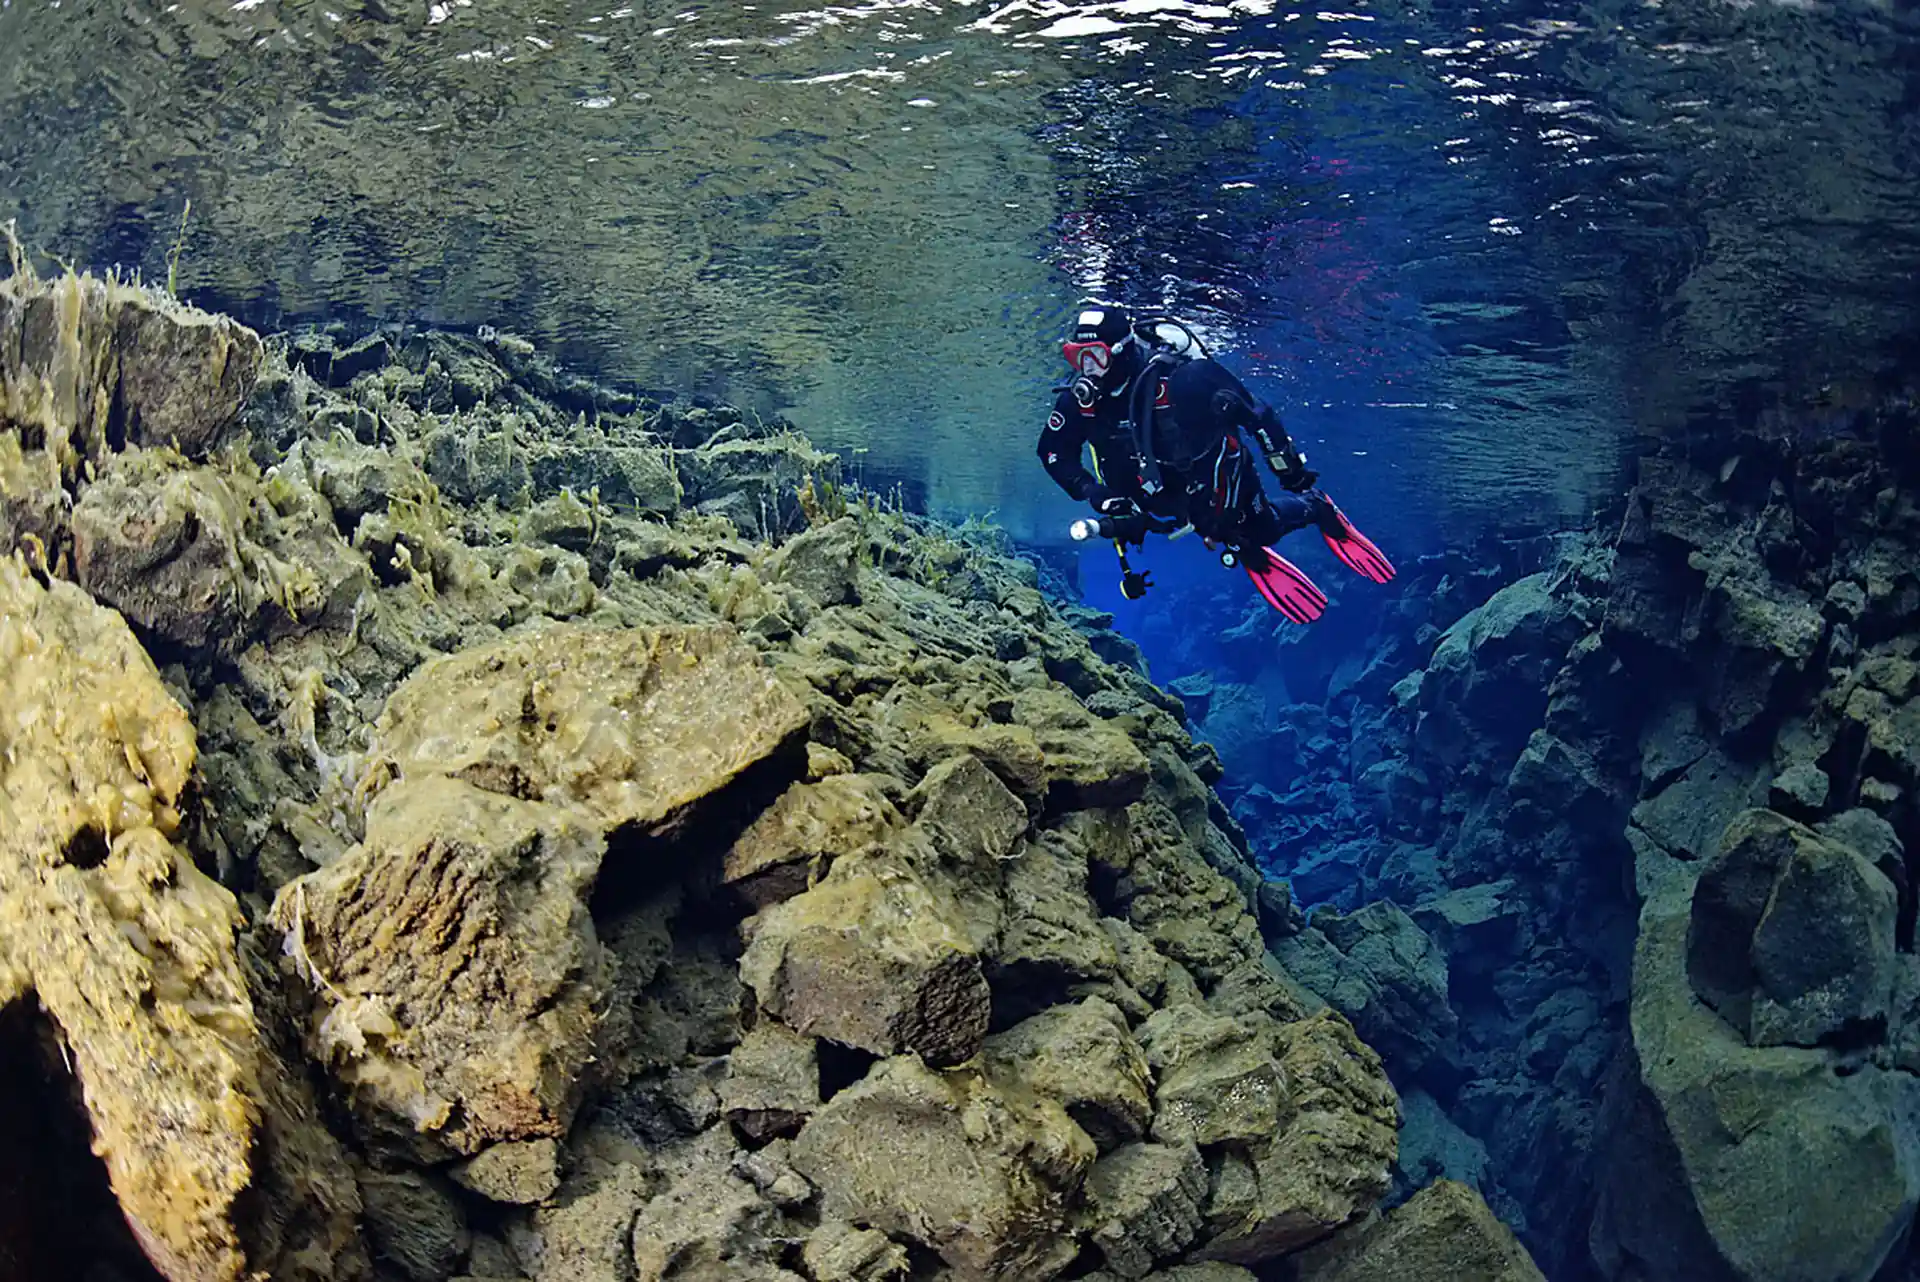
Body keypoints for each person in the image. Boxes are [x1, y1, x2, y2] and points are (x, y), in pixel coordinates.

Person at [1038, 302, 1393, 621]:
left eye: (1094, 357)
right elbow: (1053, 453)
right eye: (1077, 357)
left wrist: (1289, 470)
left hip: (1216, 476)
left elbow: (1256, 414)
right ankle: (1235, 540)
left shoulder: (1185, 379)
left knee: (1260, 529)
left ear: (1122, 351)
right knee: (1191, 527)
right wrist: (1093, 491)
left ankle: (1316, 508)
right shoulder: (1078, 402)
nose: (1087, 370)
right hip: (1152, 495)